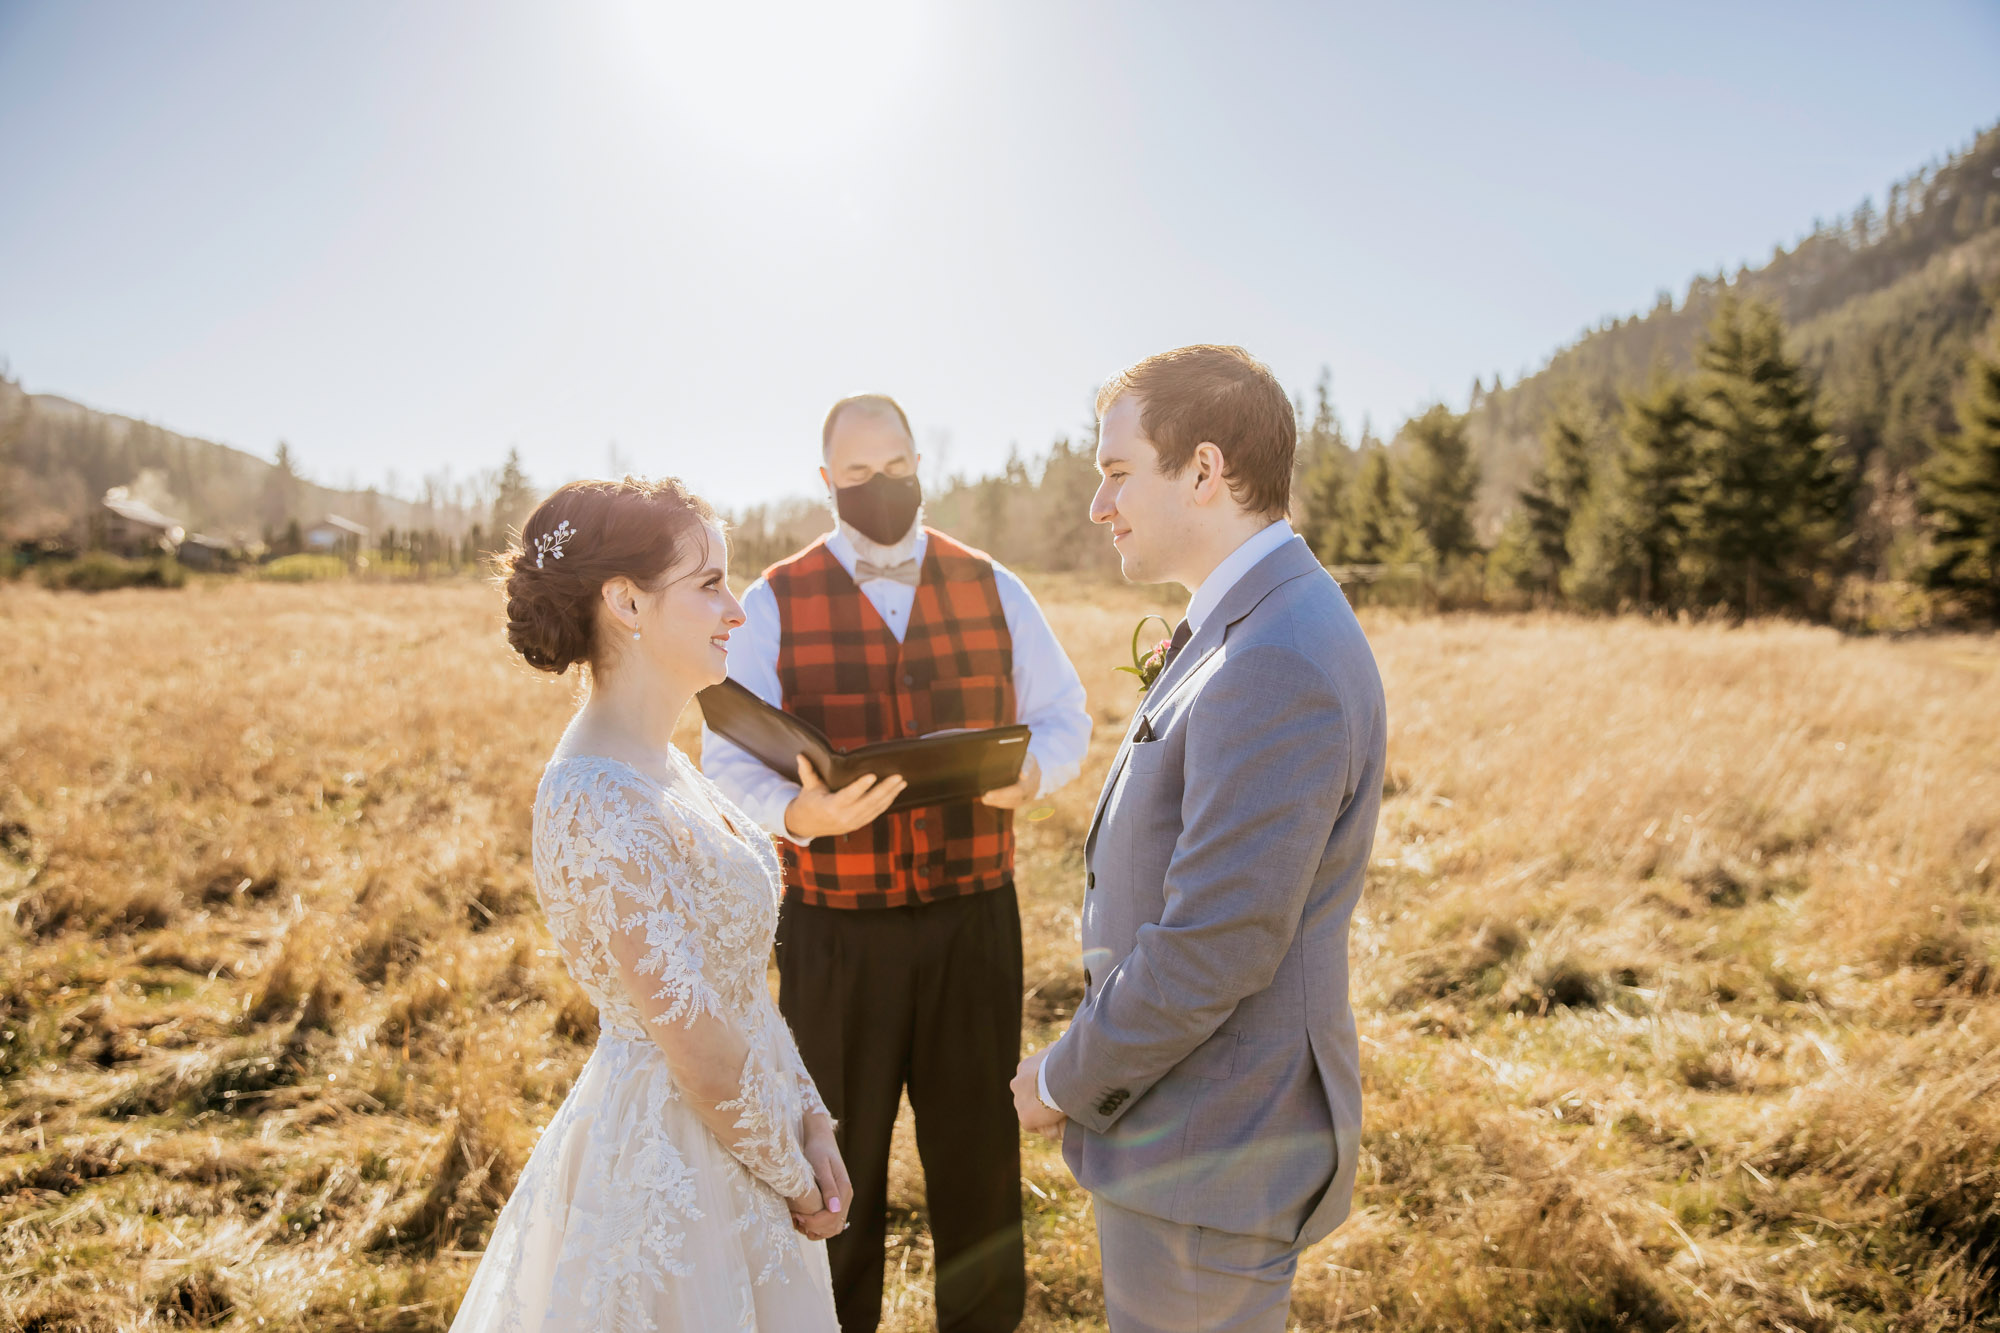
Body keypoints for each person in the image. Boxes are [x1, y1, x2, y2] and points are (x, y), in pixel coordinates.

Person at [1010, 346, 1387, 1333]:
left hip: (1213, 1148)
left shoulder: (1275, 657)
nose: (1099, 504)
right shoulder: (1247, 622)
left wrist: (1059, 1077)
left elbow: (1214, 942)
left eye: (1117, 469)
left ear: (1205, 471)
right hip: (1195, 1141)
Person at [702, 394, 1092, 1333]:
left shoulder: (993, 582)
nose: (881, 486)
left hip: (974, 920)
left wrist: (1033, 773)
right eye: (858, 472)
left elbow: (1066, 714)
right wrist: (799, 811)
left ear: (922, 463)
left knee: (978, 1156)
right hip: (836, 932)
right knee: (837, 1169)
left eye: (897, 465)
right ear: (826, 479)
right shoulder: (775, 599)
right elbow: (723, 756)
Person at [453, 477, 846, 1332]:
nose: (736, 609)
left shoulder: (666, 762)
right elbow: (696, 1048)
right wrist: (796, 1172)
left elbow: (736, 986)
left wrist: (812, 1114)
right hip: (672, 1171)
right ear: (627, 600)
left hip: (752, 1139)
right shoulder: (597, 798)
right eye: (708, 584)